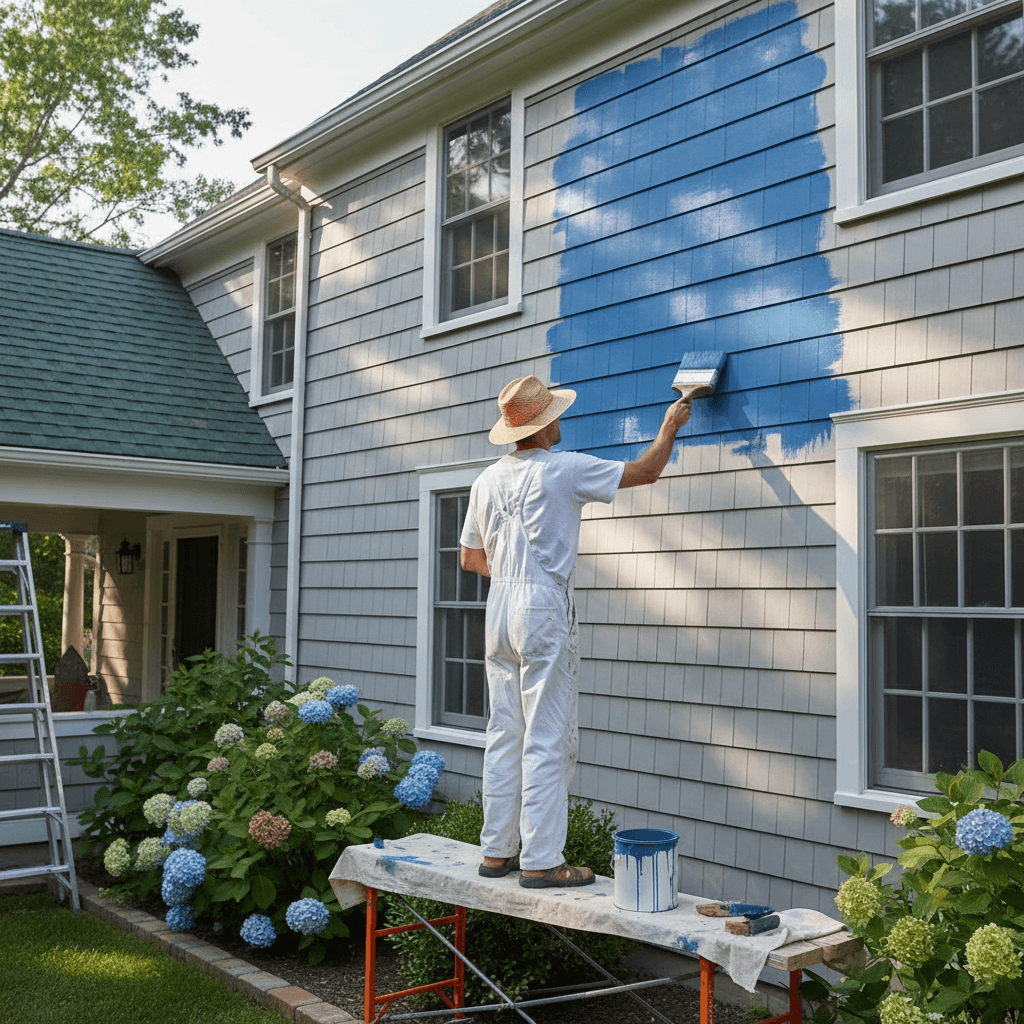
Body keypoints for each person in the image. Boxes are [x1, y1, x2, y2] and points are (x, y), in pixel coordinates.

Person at [459, 375, 693, 888]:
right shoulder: (563, 469)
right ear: (544, 427)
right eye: (556, 415)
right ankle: (541, 862)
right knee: (546, 735)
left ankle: (496, 854)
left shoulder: (485, 480)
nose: (561, 421)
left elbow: (470, 558)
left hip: (498, 609)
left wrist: (513, 573)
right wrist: (670, 426)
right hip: (541, 605)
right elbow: (646, 472)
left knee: (504, 733)